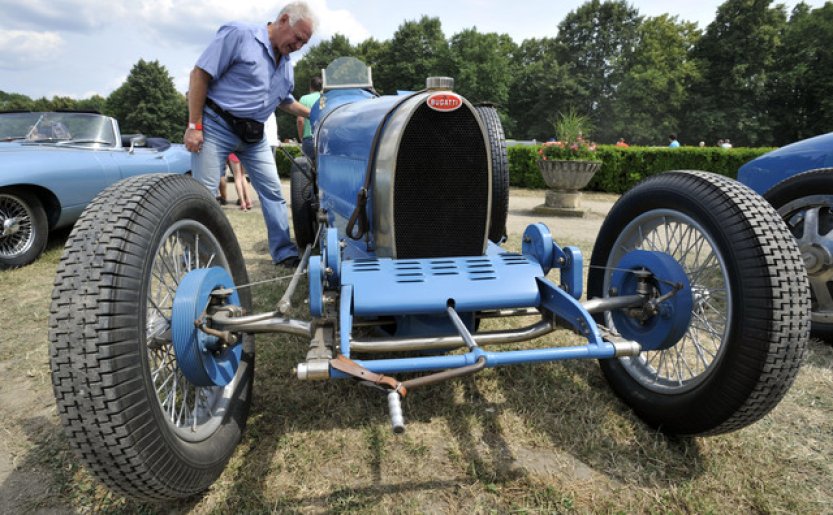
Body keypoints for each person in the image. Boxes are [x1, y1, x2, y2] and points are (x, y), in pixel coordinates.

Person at [184, 2, 317, 268]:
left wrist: (316, 112)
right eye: (298, 38)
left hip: (254, 137)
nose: (299, 46)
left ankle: (283, 252)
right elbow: (199, 74)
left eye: (305, 43)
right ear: (283, 20)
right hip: (217, 127)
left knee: (273, 193)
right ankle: (195, 260)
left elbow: (284, 101)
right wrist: (194, 126)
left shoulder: (287, 64)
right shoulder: (239, 34)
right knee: (206, 197)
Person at [296, 76, 322, 160]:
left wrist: (301, 137)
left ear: (310, 87)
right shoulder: (324, 98)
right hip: (322, 138)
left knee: (307, 169)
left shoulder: (304, 99)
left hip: (308, 139)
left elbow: (300, 121)